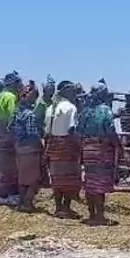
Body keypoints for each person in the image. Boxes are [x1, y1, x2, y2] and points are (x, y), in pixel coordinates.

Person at [77, 80, 122, 226]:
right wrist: (119, 147)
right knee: (100, 185)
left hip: (87, 149)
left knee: (90, 183)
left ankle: (91, 215)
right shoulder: (105, 110)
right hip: (101, 150)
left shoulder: (85, 111)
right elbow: (110, 131)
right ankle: (100, 216)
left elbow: (78, 132)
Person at [44, 80, 82, 219]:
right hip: (67, 145)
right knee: (70, 178)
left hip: (53, 145)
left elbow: (47, 130)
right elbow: (72, 129)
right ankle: (66, 208)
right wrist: (79, 144)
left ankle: (58, 208)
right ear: (67, 91)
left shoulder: (51, 108)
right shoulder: (70, 107)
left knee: (57, 177)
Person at [0, 71, 22, 206]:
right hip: (8, 135)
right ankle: (11, 196)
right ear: (14, 83)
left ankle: (1, 193)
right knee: (11, 165)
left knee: (2, 165)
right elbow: (12, 117)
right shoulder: (10, 97)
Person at [12, 82, 43, 212]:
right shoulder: (30, 115)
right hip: (30, 149)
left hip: (19, 148)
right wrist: (41, 144)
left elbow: (10, 128)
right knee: (34, 179)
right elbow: (32, 134)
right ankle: (27, 203)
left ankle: (22, 202)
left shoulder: (17, 113)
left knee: (23, 178)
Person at [35, 75, 55, 188]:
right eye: (50, 90)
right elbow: (37, 120)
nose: (52, 92)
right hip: (43, 135)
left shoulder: (52, 103)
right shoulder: (41, 104)